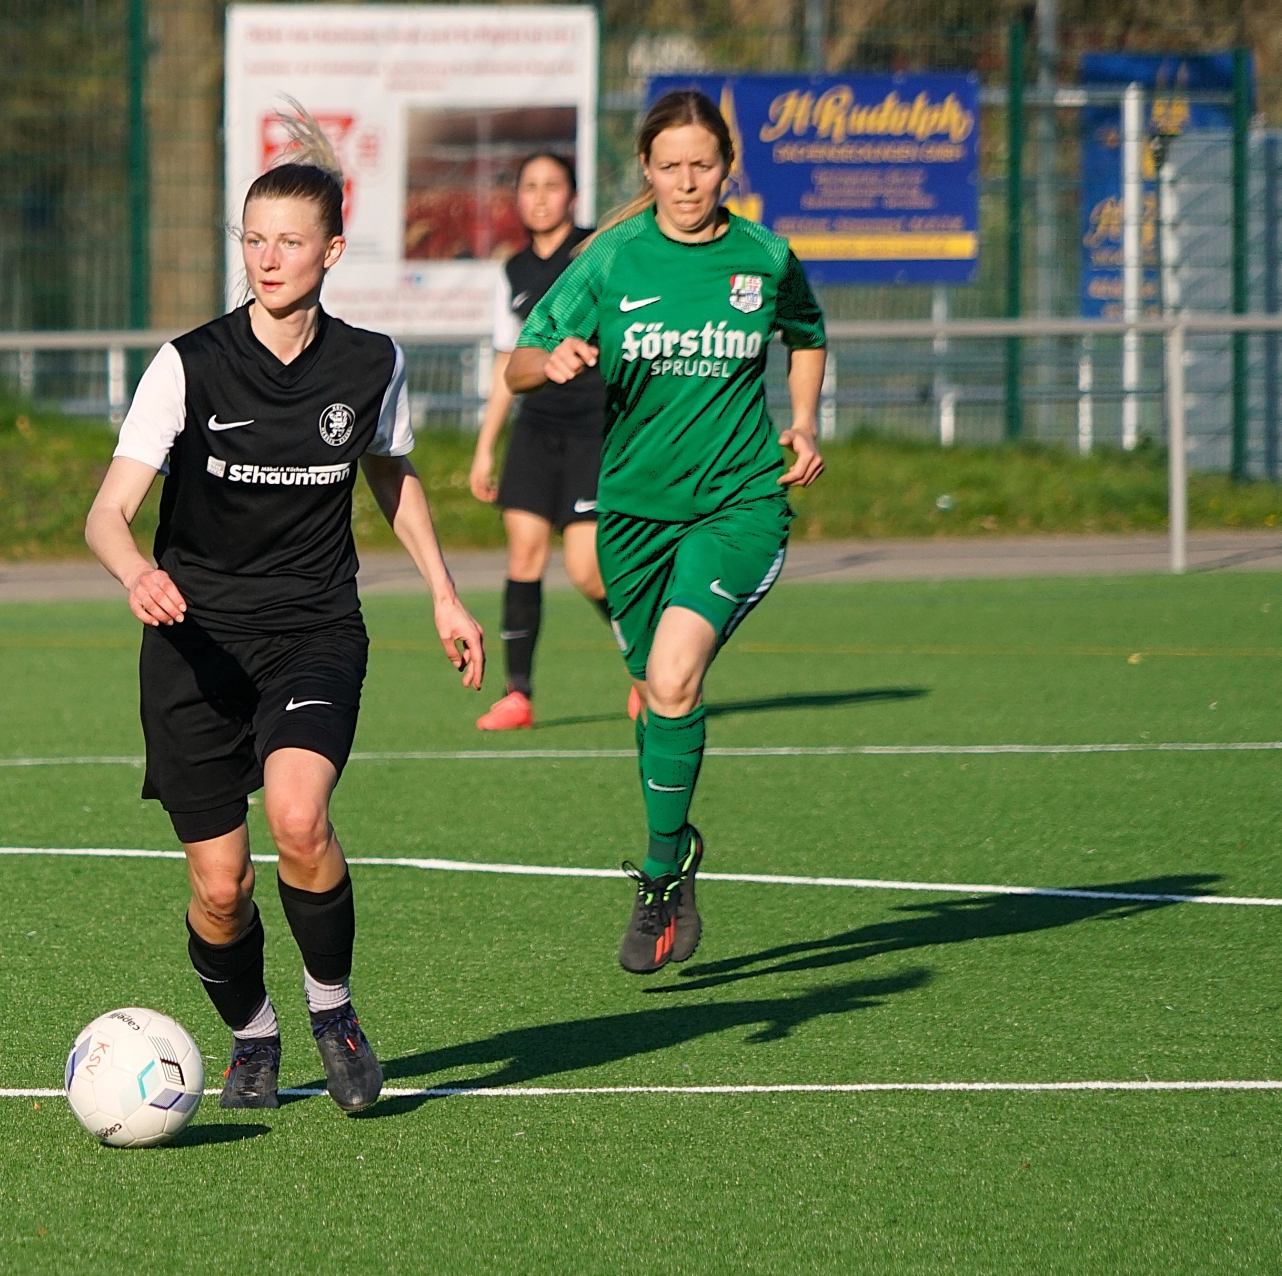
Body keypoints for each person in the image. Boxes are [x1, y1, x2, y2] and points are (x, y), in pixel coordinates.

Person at [85, 106, 486, 1112]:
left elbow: (392, 476)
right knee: (221, 888)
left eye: (290, 241)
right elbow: (106, 512)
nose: (267, 259)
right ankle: (253, 1034)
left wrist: (444, 594)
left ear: (331, 251)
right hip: (193, 645)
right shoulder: (190, 364)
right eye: (254, 239)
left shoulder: (371, 363)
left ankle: (332, 1009)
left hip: (313, 630)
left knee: (302, 819)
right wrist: (134, 571)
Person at [507, 89, 827, 974]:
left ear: (728, 167)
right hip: (633, 514)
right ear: (645, 170)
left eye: (703, 165)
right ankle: (678, 850)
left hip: (738, 502)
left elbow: (806, 333)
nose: (688, 182)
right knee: (655, 690)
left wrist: (803, 422)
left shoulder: (764, 256)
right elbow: (519, 362)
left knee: (676, 677)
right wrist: (551, 360)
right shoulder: (611, 259)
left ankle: (655, 874)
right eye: (671, 166)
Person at [468, 152, 622, 732]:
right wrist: (486, 446)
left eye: (552, 185)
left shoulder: (599, 254)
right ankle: (518, 695)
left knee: (587, 569)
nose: (539, 196)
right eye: (529, 186)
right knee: (524, 556)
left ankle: (652, 665)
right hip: (536, 429)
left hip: (594, 428)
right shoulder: (512, 271)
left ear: (573, 195)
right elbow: (508, 362)